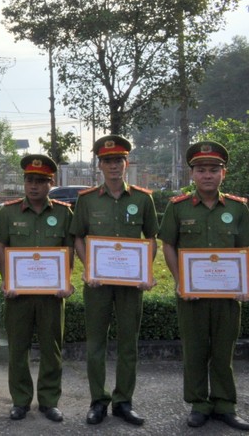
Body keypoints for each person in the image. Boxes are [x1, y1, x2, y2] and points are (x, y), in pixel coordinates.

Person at [159, 141, 249, 431]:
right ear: (192, 175)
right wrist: (180, 280)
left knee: (224, 351)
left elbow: (245, 247)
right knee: (195, 350)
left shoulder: (238, 209)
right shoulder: (178, 208)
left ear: (223, 173)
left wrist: (245, 283)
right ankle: (199, 405)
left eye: (213, 169)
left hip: (227, 295)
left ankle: (225, 405)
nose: (207, 175)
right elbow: (169, 245)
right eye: (201, 170)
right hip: (192, 295)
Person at [70, 135, 158, 426]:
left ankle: (124, 401)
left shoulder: (143, 199)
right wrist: (88, 267)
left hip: (131, 285)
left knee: (128, 343)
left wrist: (147, 271)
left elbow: (151, 239)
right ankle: (98, 400)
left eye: (118, 160)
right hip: (98, 285)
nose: (113, 166)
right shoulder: (86, 200)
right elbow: (78, 237)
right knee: (95, 342)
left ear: (126, 163)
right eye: (108, 161)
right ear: (100, 165)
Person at [0, 155, 73, 422]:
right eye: (30, 180)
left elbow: (69, 248)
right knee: (18, 348)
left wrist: (66, 280)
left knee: (52, 348)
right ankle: (20, 401)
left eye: (41, 181)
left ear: (51, 183)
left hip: (52, 295)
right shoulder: (8, 212)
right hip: (19, 296)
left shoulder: (64, 212)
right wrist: (7, 279)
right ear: (24, 182)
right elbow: (0, 247)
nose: (34, 186)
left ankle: (49, 401)